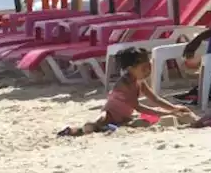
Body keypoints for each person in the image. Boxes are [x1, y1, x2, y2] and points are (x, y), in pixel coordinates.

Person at [59, 47, 195, 135]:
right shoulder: (124, 84)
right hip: (111, 113)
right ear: (131, 69)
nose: (148, 71)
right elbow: (138, 106)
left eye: (149, 67)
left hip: (125, 116)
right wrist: (167, 113)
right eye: (144, 68)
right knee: (99, 121)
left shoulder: (140, 81)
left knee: (120, 124)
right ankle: (73, 130)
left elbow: (155, 99)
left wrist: (174, 108)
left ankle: (105, 128)